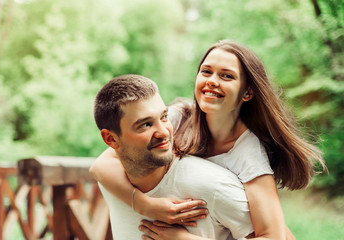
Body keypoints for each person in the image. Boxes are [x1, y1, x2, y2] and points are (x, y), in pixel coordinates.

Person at [90, 40, 326, 239]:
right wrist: (143, 204)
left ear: (247, 93)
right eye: (206, 71)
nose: (213, 80)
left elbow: (274, 236)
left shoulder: (248, 152)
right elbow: (101, 164)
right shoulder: (178, 117)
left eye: (227, 76)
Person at [92, 74, 254, 239]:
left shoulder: (214, 187)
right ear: (111, 139)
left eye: (164, 117)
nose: (164, 132)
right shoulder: (112, 183)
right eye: (145, 124)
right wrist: (142, 204)